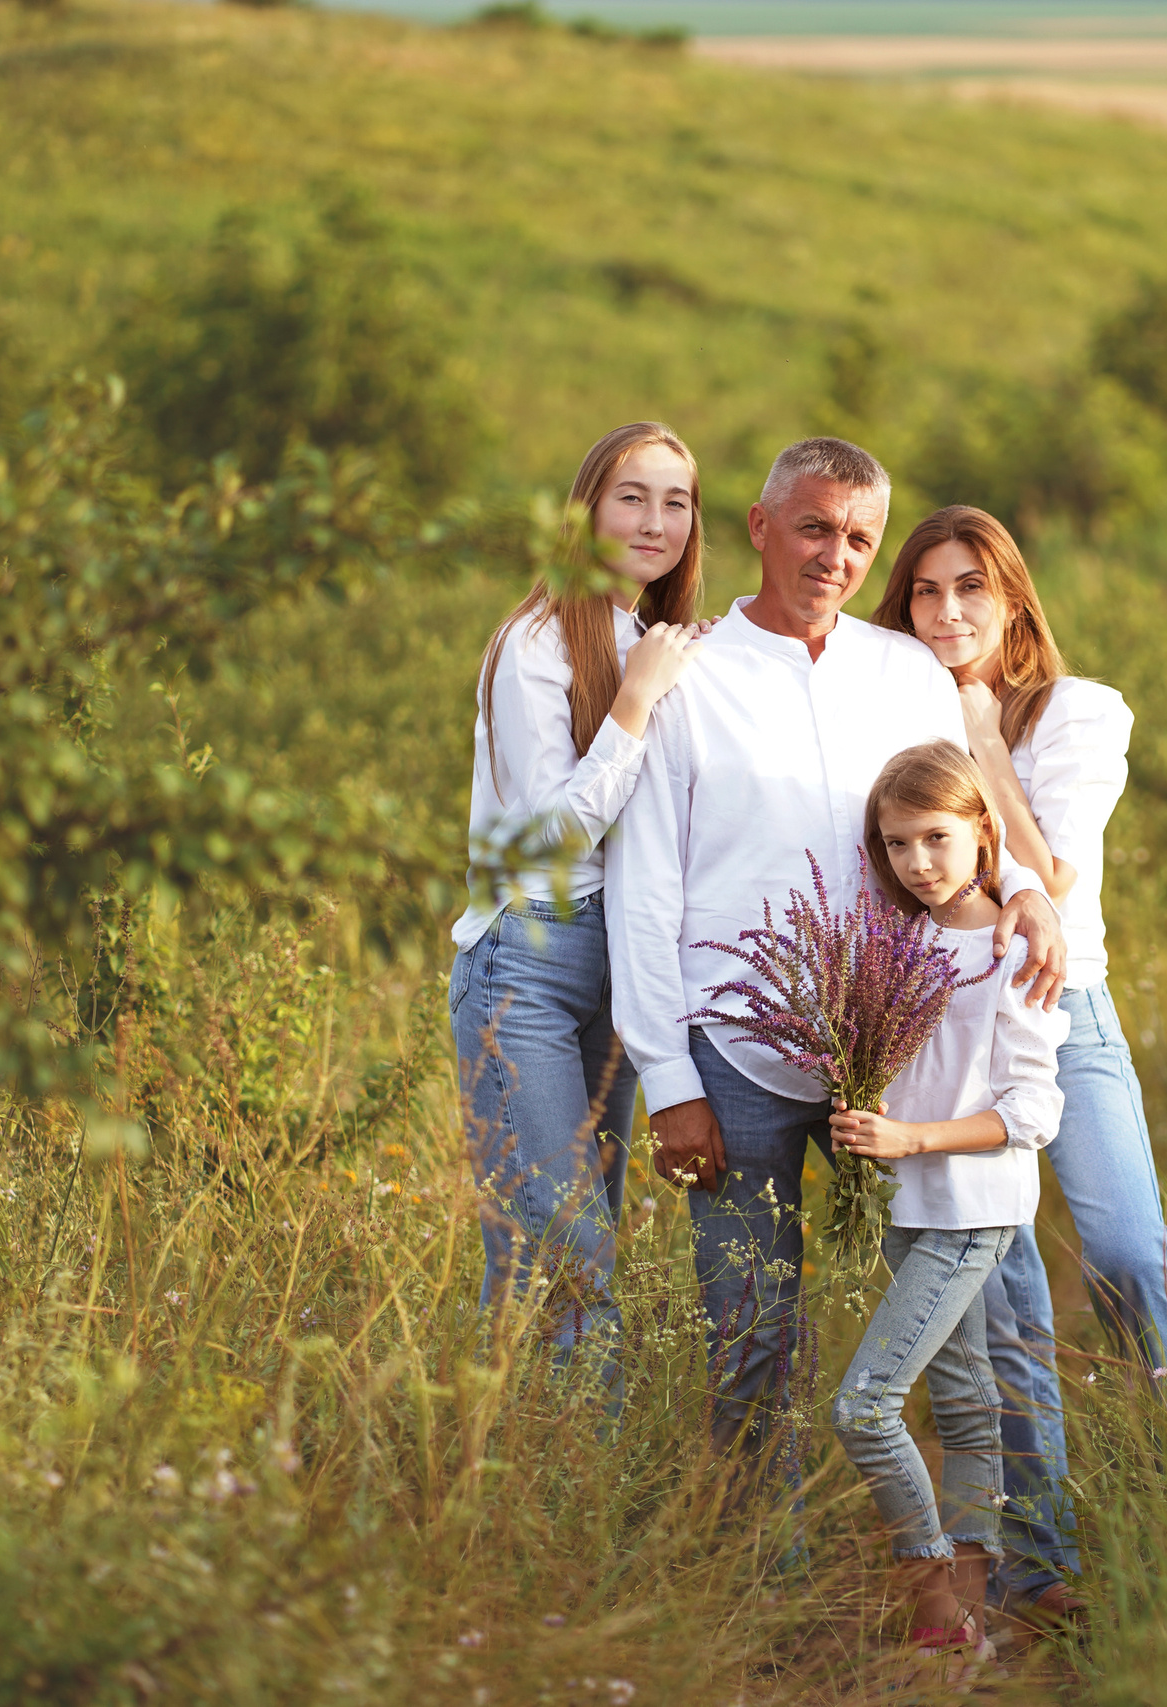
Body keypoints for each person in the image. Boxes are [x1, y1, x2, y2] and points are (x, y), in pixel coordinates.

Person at [604, 437, 1069, 1482]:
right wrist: (670, 1081)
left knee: (982, 1311)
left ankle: (1027, 1563)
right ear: (760, 526)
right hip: (735, 1060)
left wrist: (1030, 895)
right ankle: (766, 1600)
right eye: (813, 527)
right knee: (752, 1337)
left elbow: (974, 819)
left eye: (859, 537)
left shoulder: (904, 670)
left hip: (906, 1055)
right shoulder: (687, 675)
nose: (835, 555)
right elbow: (644, 893)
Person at [874, 503, 1167, 1631]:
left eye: (970, 586)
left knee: (1125, 1248)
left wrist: (981, 740)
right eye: (925, 590)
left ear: (1013, 596)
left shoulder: (1078, 714)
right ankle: (1041, 1565)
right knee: (1006, 1294)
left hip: (1059, 1009)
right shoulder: (890, 710)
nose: (947, 611)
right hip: (945, 1027)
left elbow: (1054, 880)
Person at [448, 422, 705, 1361]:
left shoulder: (653, 641)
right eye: (632, 496)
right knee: (571, 1261)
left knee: (554, 1255)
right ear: (587, 507)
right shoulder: (536, 642)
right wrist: (636, 701)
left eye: (676, 501)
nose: (655, 520)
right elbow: (552, 835)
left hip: (624, 967)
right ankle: (551, 1491)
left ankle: (519, 1478)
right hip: (530, 960)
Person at [828, 742, 1068, 1653]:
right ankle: (971, 1616)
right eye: (896, 845)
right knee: (965, 1406)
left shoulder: (1018, 946)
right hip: (907, 1202)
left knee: (864, 1403)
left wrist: (914, 1137)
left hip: (972, 1209)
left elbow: (1031, 1109)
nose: (919, 863)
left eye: (937, 837)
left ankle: (929, 1590)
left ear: (983, 834)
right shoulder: (897, 938)